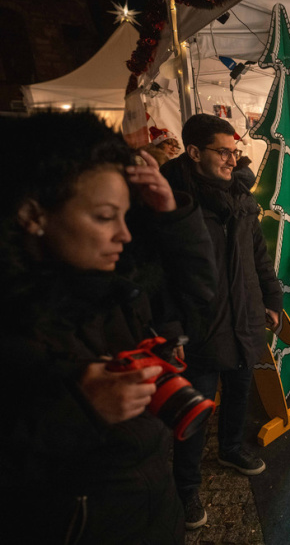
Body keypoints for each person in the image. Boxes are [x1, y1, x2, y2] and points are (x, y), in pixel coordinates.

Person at [0, 110, 215, 543]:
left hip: (156, 516)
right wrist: (79, 408)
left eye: (125, 216)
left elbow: (199, 296)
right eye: (103, 217)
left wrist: (170, 214)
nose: (124, 235)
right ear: (32, 215)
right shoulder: (18, 323)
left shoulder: (114, 288)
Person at [161, 114, 284, 530]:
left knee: (239, 389)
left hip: (244, 313)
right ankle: (186, 487)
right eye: (223, 152)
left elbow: (258, 256)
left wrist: (271, 298)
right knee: (195, 409)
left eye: (235, 152)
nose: (233, 160)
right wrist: (172, 328)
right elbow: (160, 274)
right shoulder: (174, 205)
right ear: (195, 152)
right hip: (200, 322)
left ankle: (231, 448)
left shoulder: (241, 199)